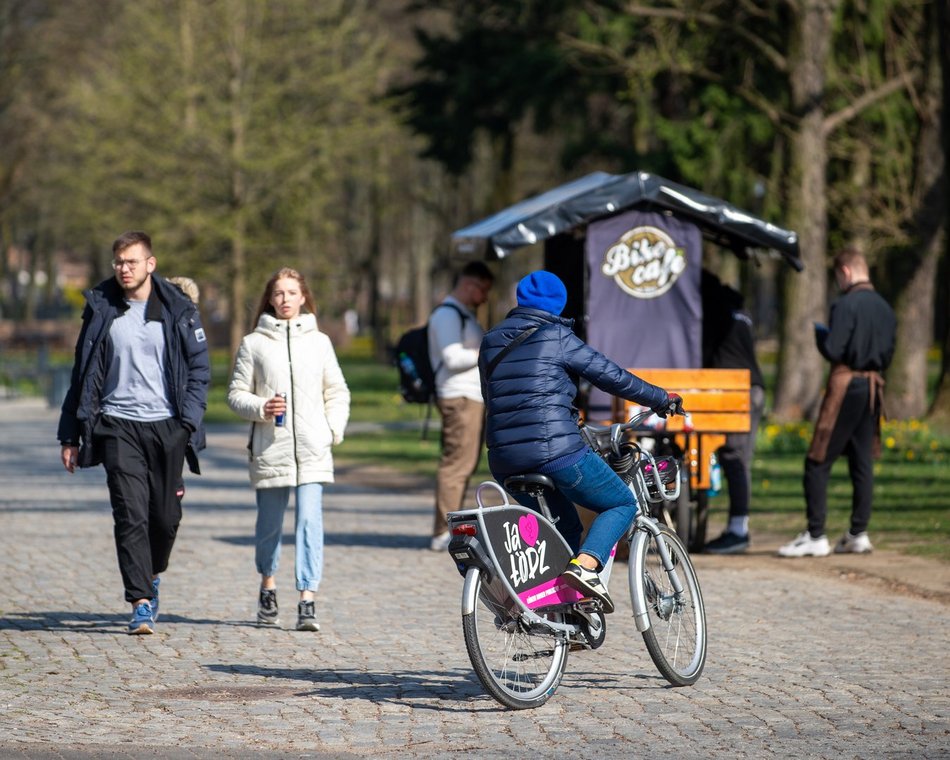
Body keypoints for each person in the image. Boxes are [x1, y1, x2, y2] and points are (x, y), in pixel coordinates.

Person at [479, 270, 683, 613]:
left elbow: (493, 397)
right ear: (559, 304)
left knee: (563, 529)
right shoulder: (557, 336)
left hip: (504, 459)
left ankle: (567, 616)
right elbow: (610, 375)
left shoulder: (491, 340)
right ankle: (586, 567)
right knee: (619, 503)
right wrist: (661, 398)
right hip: (556, 453)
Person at [57, 230, 210, 635]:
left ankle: (153, 573)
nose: (124, 269)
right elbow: (82, 372)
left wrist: (188, 423)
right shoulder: (103, 306)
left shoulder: (178, 308)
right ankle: (140, 601)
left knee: (164, 517)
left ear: (150, 264)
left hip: (167, 426)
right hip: (117, 424)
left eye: (132, 262)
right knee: (130, 514)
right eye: (119, 263)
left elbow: (199, 370)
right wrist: (69, 435)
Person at [227, 267, 350, 631]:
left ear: (303, 298)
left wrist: (332, 430)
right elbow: (235, 395)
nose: (285, 299)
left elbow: (337, 391)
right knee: (269, 526)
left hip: (313, 449)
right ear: (270, 298)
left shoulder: (320, 342)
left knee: (310, 522)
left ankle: (307, 599)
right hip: (271, 448)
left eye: (291, 293)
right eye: (278, 293)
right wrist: (261, 407)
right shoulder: (254, 343)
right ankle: (267, 585)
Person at [779, 248, 896, 558]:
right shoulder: (885, 307)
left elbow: (834, 349)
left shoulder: (845, 305)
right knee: (862, 461)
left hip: (846, 385)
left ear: (845, 272)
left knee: (817, 459)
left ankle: (816, 534)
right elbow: (888, 354)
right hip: (873, 386)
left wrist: (821, 336)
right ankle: (859, 533)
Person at [428, 261, 495, 551]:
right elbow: (453, 358)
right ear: (469, 284)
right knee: (456, 464)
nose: (485, 297)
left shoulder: (463, 314)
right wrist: (487, 350)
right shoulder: (446, 315)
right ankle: (442, 531)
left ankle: (449, 526)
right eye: (483, 290)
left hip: (471, 397)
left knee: (465, 464)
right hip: (459, 397)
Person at [700, 270, 766, 554]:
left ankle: (739, 531)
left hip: (737, 389)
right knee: (739, 458)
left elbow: (704, 352)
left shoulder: (713, 310)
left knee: (733, 456)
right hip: (754, 386)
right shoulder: (740, 309)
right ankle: (738, 526)